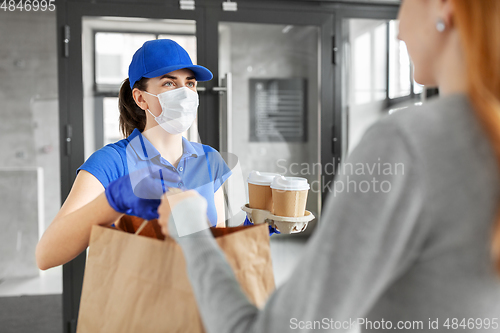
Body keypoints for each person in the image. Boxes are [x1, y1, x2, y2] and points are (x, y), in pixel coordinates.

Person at [157, 0, 500, 332]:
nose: (399, 34)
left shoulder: (406, 143)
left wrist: (190, 227)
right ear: (141, 98)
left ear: (444, 6)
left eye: (405, 2)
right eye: (170, 83)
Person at [36, 39, 232, 271]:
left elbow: (219, 241)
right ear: (140, 98)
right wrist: (113, 201)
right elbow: (46, 256)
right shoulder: (111, 162)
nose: (185, 93)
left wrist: (253, 229)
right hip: (137, 302)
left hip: (199, 303)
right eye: (169, 84)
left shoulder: (210, 160)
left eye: (189, 84)